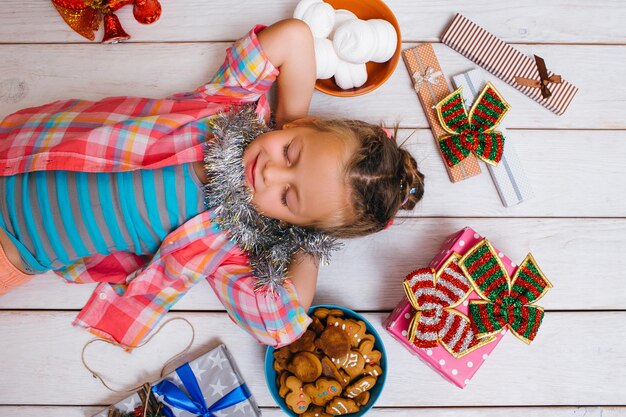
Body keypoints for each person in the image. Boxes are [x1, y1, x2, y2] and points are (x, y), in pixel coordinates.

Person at [0, 19, 424, 348]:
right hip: (19, 148)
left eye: (288, 197)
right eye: (291, 152)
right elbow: (293, 37)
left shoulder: (230, 245)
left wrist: (305, 238)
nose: (270, 173)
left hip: (15, 250)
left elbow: (281, 323)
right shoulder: (228, 107)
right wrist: (290, 119)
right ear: (304, 125)